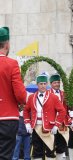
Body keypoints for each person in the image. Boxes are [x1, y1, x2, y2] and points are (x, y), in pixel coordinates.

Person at [23, 73, 66, 160]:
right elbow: (26, 110)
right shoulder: (31, 97)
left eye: (44, 83)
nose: (43, 86)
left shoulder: (53, 97)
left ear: (47, 84)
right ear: (37, 85)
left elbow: (62, 111)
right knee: (37, 151)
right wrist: (27, 123)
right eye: (40, 84)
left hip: (49, 127)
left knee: (50, 150)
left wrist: (56, 125)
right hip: (36, 127)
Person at [0, 26, 27, 159]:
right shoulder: (12, 64)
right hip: (7, 118)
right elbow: (21, 95)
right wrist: (21, 103)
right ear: (7, 44)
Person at [49, 73, 70, 159]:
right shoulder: (47, 93)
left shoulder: (64, 94)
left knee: (61, 145)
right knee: (50, 145)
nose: (57, 84)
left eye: (58, 82)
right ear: (51, 84)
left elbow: (69, 106)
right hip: (51, 122)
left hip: (62, 122)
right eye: (55, 82)